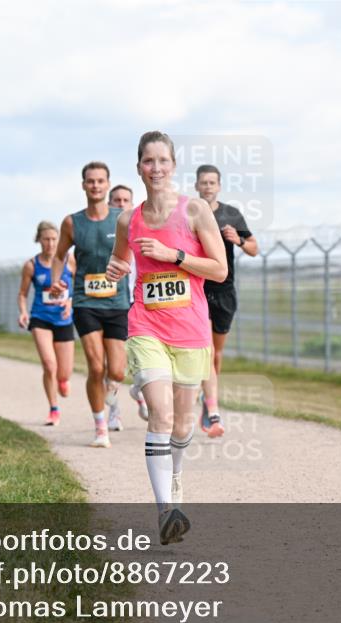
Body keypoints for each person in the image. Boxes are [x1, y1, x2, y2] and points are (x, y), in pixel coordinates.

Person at [106, 130, 227, 545]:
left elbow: (219, 269)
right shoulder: (128, 218)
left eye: (162, 161)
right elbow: (121, 258)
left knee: (180, 423)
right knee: (158, 412)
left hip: (190, 328)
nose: (155, 168)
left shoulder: (194, 211)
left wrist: (173, 256)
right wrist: (115, 269)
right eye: (147, 161)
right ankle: (165, 511)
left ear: (173, 166)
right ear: (138, 166)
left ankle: (175, 480)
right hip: (146, 325)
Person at [48, 161, 131, 447]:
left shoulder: (123, 218)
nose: (95, 185)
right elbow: (59, 256)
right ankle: (100, 427)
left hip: (118, 302)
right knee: (96, 367)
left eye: (100, 181)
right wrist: (57, 281)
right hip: (85, 302)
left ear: (107, 185)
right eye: (90, 181)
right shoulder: (72, 222)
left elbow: (137, 251)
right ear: (83, 185)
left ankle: (112, 392)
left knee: (118, 371)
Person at [194, 164, 259, 437]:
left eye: (212, 182)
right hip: (198, 288)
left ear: (218, 186)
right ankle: (212, 407)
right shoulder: (191, 213)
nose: (208, 187)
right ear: (197, 186)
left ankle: (207, 396)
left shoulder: (231, 214)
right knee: (206, 350)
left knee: (216, 353)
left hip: (224, 291)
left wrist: (239, 241)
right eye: (203, 182)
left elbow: (255, 248)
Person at [18, 221, 76, 426]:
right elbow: (23, 294)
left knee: (64, 371)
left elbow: (79, 287)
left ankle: (62, 379)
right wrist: (23, 313)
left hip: (63, 318)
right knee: (49, 365)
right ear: (39, 240)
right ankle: (53, 409)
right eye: (46, 239)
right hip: (40, 318)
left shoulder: (70, 260)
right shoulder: (31, 265)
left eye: (54, 239)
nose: (51, 244)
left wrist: (70, 302)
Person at [111, 184, 148, 421]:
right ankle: (113, 411)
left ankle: (141, 392)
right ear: (109, 204)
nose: (121, 204)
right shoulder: (105, 239)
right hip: (110, 307)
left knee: (140, 357)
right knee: (114, 365)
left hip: (137, 305)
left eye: (126, 200)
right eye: (117, 200)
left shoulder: (140, 234)